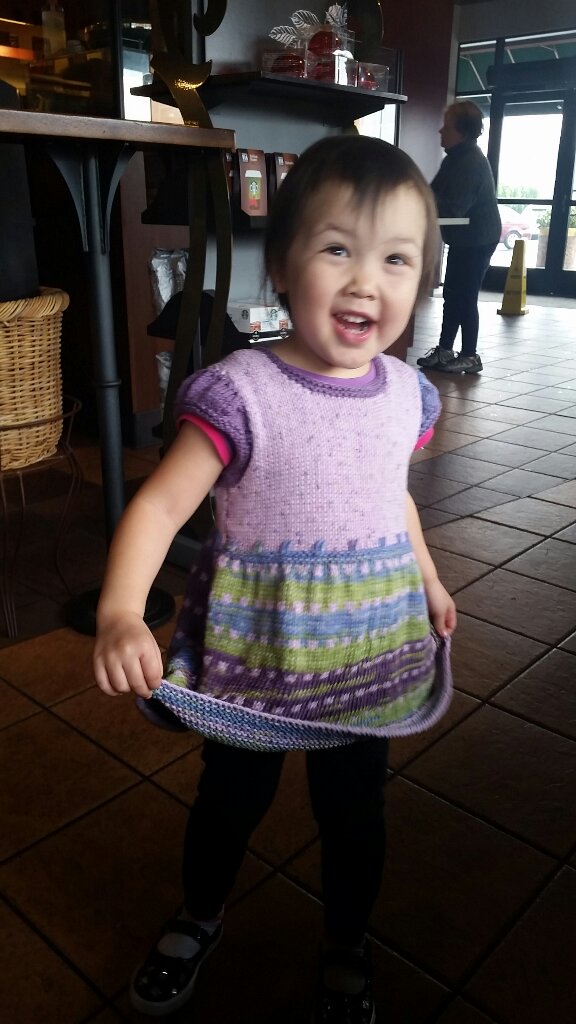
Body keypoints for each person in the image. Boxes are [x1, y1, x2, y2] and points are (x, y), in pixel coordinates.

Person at [93, 134, 457, 1024]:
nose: (366, 281)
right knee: (229, 800)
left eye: (396, 259)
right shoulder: (242, 391)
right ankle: (200, 914)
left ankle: (347, 943)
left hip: (366, 657)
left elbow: (392, 497)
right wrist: (120, 612)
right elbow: (160, 508)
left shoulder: (405, 393)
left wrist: (429, 578)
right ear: (284, 267)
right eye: (337, 249)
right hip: (258, 657)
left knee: (356, 815)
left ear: (422, 280)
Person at [417, 100, 501, 375]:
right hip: (463, 238)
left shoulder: (471, 162)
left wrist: (421, 200)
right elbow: (432, 195)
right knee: (452, 294)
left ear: (463, 133)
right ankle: (445, 350)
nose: (440, 131)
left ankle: (470, 356)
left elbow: (454, 207)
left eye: (447, 126)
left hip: (478, 239)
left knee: (464, 296)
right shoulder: (454, 158)